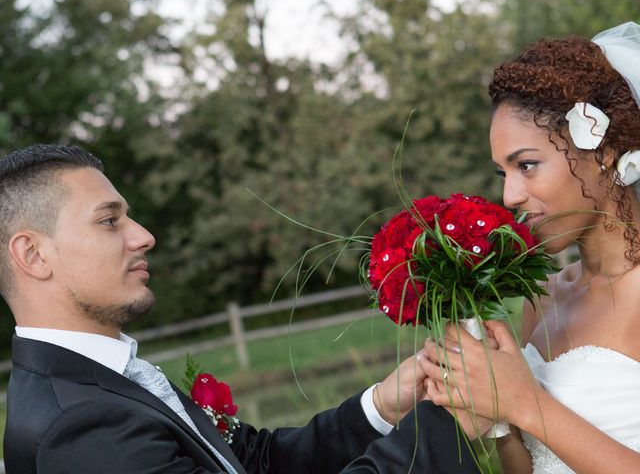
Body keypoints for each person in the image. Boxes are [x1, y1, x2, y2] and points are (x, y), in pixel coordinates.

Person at [1, 144, 483, 473]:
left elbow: (257, 463)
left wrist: (383, 404)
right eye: (109, 221)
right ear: (33, 255)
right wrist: (448, 422)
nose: (144, 236)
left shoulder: (103, 380)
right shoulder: (80, 427)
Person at [420, 22, 640, 473]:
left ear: (604, 151)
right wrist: (496, 410)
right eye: (504, 173)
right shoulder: (543, 298)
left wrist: (524, 401)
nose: (510, 196)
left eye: (527, 165)